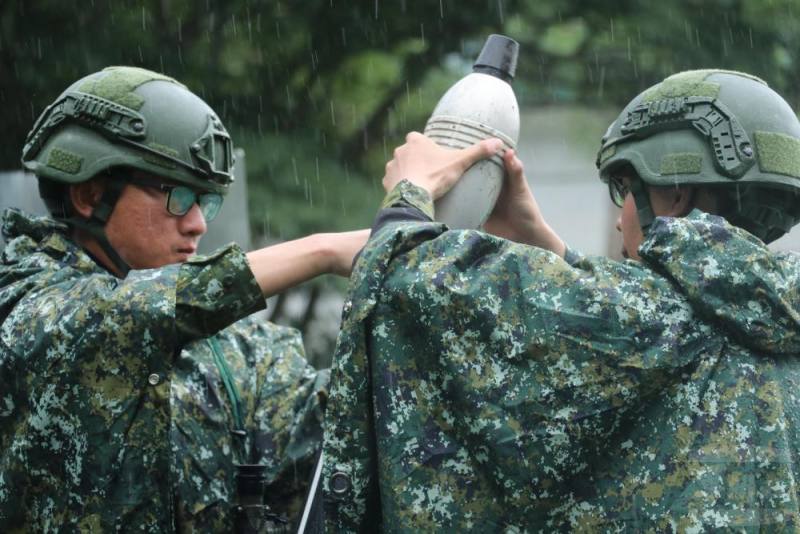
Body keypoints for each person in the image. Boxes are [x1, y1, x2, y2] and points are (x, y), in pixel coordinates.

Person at [320, 69, 800, 531]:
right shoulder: (774, 324)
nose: (619, 219)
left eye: (623, 191)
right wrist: (554, 251)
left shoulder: (637, 324)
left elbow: (412, 286)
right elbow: (647, 320)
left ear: (672, 194)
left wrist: (410, 197)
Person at [0, 66, 368, 531]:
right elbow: (115, 319)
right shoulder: (23, 306)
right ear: (91, 194)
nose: (198, 224)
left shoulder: (237, 346)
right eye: (177, 196)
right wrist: (324, 251)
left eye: (205, 202)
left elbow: (329, 434)